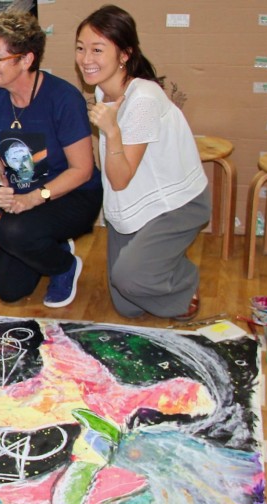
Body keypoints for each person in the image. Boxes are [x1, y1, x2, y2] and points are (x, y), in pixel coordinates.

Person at [76, 5, 209, 321]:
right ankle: (158, 263)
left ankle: (184, 280)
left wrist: (112, 130)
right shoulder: (104, 91)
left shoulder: (144, 100)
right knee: (128, 305)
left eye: (97, 49)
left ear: (124, 54)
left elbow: (119, 178)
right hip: (136, 205)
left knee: (131, 280)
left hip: (175, 205)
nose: (85, 59)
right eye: (80, 48)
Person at [0, 11, 103, 308]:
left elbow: (82, 170)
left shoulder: (63, 98)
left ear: (26, 60)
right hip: (26, 199)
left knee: (13, 232)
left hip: (72, 194)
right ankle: (51, 244)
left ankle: (65, 266)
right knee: (9, 289)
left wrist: (34, 198)